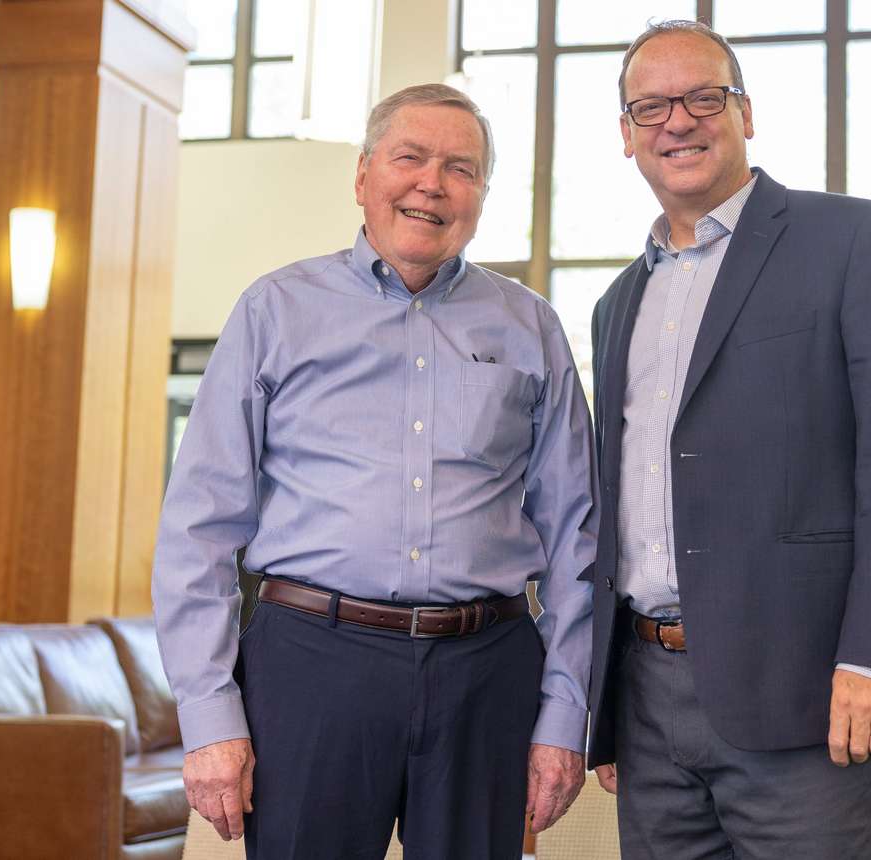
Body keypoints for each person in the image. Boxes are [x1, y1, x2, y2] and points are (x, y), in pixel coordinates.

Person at [152, 84, 596, 859]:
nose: (433, 182)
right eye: (410, 158)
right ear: (363, 177)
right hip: (309, 665)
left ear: (483, 196)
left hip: (486, 673)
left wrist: (563, 717)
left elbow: (576, 537)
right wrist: (210, 716)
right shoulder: (275, 311)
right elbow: (198, 528)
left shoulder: (531, 327)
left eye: (461, 168)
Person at [585, 20, 871, 859]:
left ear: (744, 113)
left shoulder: (852, 240)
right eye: (651, 106)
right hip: (648, 702)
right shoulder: (618, 304)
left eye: (703, 97)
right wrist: (606, 707)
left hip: (809, 697)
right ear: (626, 135)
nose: (676, 121)